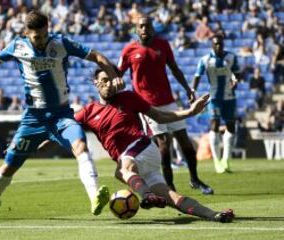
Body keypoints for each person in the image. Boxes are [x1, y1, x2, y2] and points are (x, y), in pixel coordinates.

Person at [0, 10, 124, 220]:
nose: (42, 41)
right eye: (37, 37)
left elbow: (97, 56)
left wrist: (115, 76)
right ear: (26, 33)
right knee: (9, 166)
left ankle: (94, 196)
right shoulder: (17, 46)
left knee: (80, 145)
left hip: (62, 115)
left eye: (44, 35)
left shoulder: (61, 43)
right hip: (33, 118)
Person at [74, 67, 234, 222]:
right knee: (172, 197)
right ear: (95, 82)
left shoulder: (128, 97)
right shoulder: (88, 111)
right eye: (104, 80)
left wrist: (190, 112)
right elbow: (64, 128)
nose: (109, 84)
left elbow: (159, 116)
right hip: (140, 165)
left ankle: (147, 195)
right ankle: (215, 215)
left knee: (121, 171)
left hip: (142, 147)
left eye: (112, 80)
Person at [118, 16, 213, 195]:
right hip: (147, 105)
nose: (144, 29)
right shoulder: (129, 50)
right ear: (136, 30)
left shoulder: (163, 45)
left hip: (168, 101)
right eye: (141, 26)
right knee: (164, 145)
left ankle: (195, 179)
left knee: (186, 144)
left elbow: (174, 68)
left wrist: (187, 89)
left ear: (153, 28)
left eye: (147, 26)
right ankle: (170, 186)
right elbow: (118, 74)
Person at [193, 34, 241, 173]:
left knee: (231, 126)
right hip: (214, 97)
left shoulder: (231, 57)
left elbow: (237, 73)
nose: (219, 46)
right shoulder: (205, 59)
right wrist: (192, 91)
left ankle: (226, 160)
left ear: (223, 44)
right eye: (216, 44)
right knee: (214, 125)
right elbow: (197, 76)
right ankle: (216, 161)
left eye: (220, 43)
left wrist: (236, 80)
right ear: (212, 45)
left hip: (229, 97)